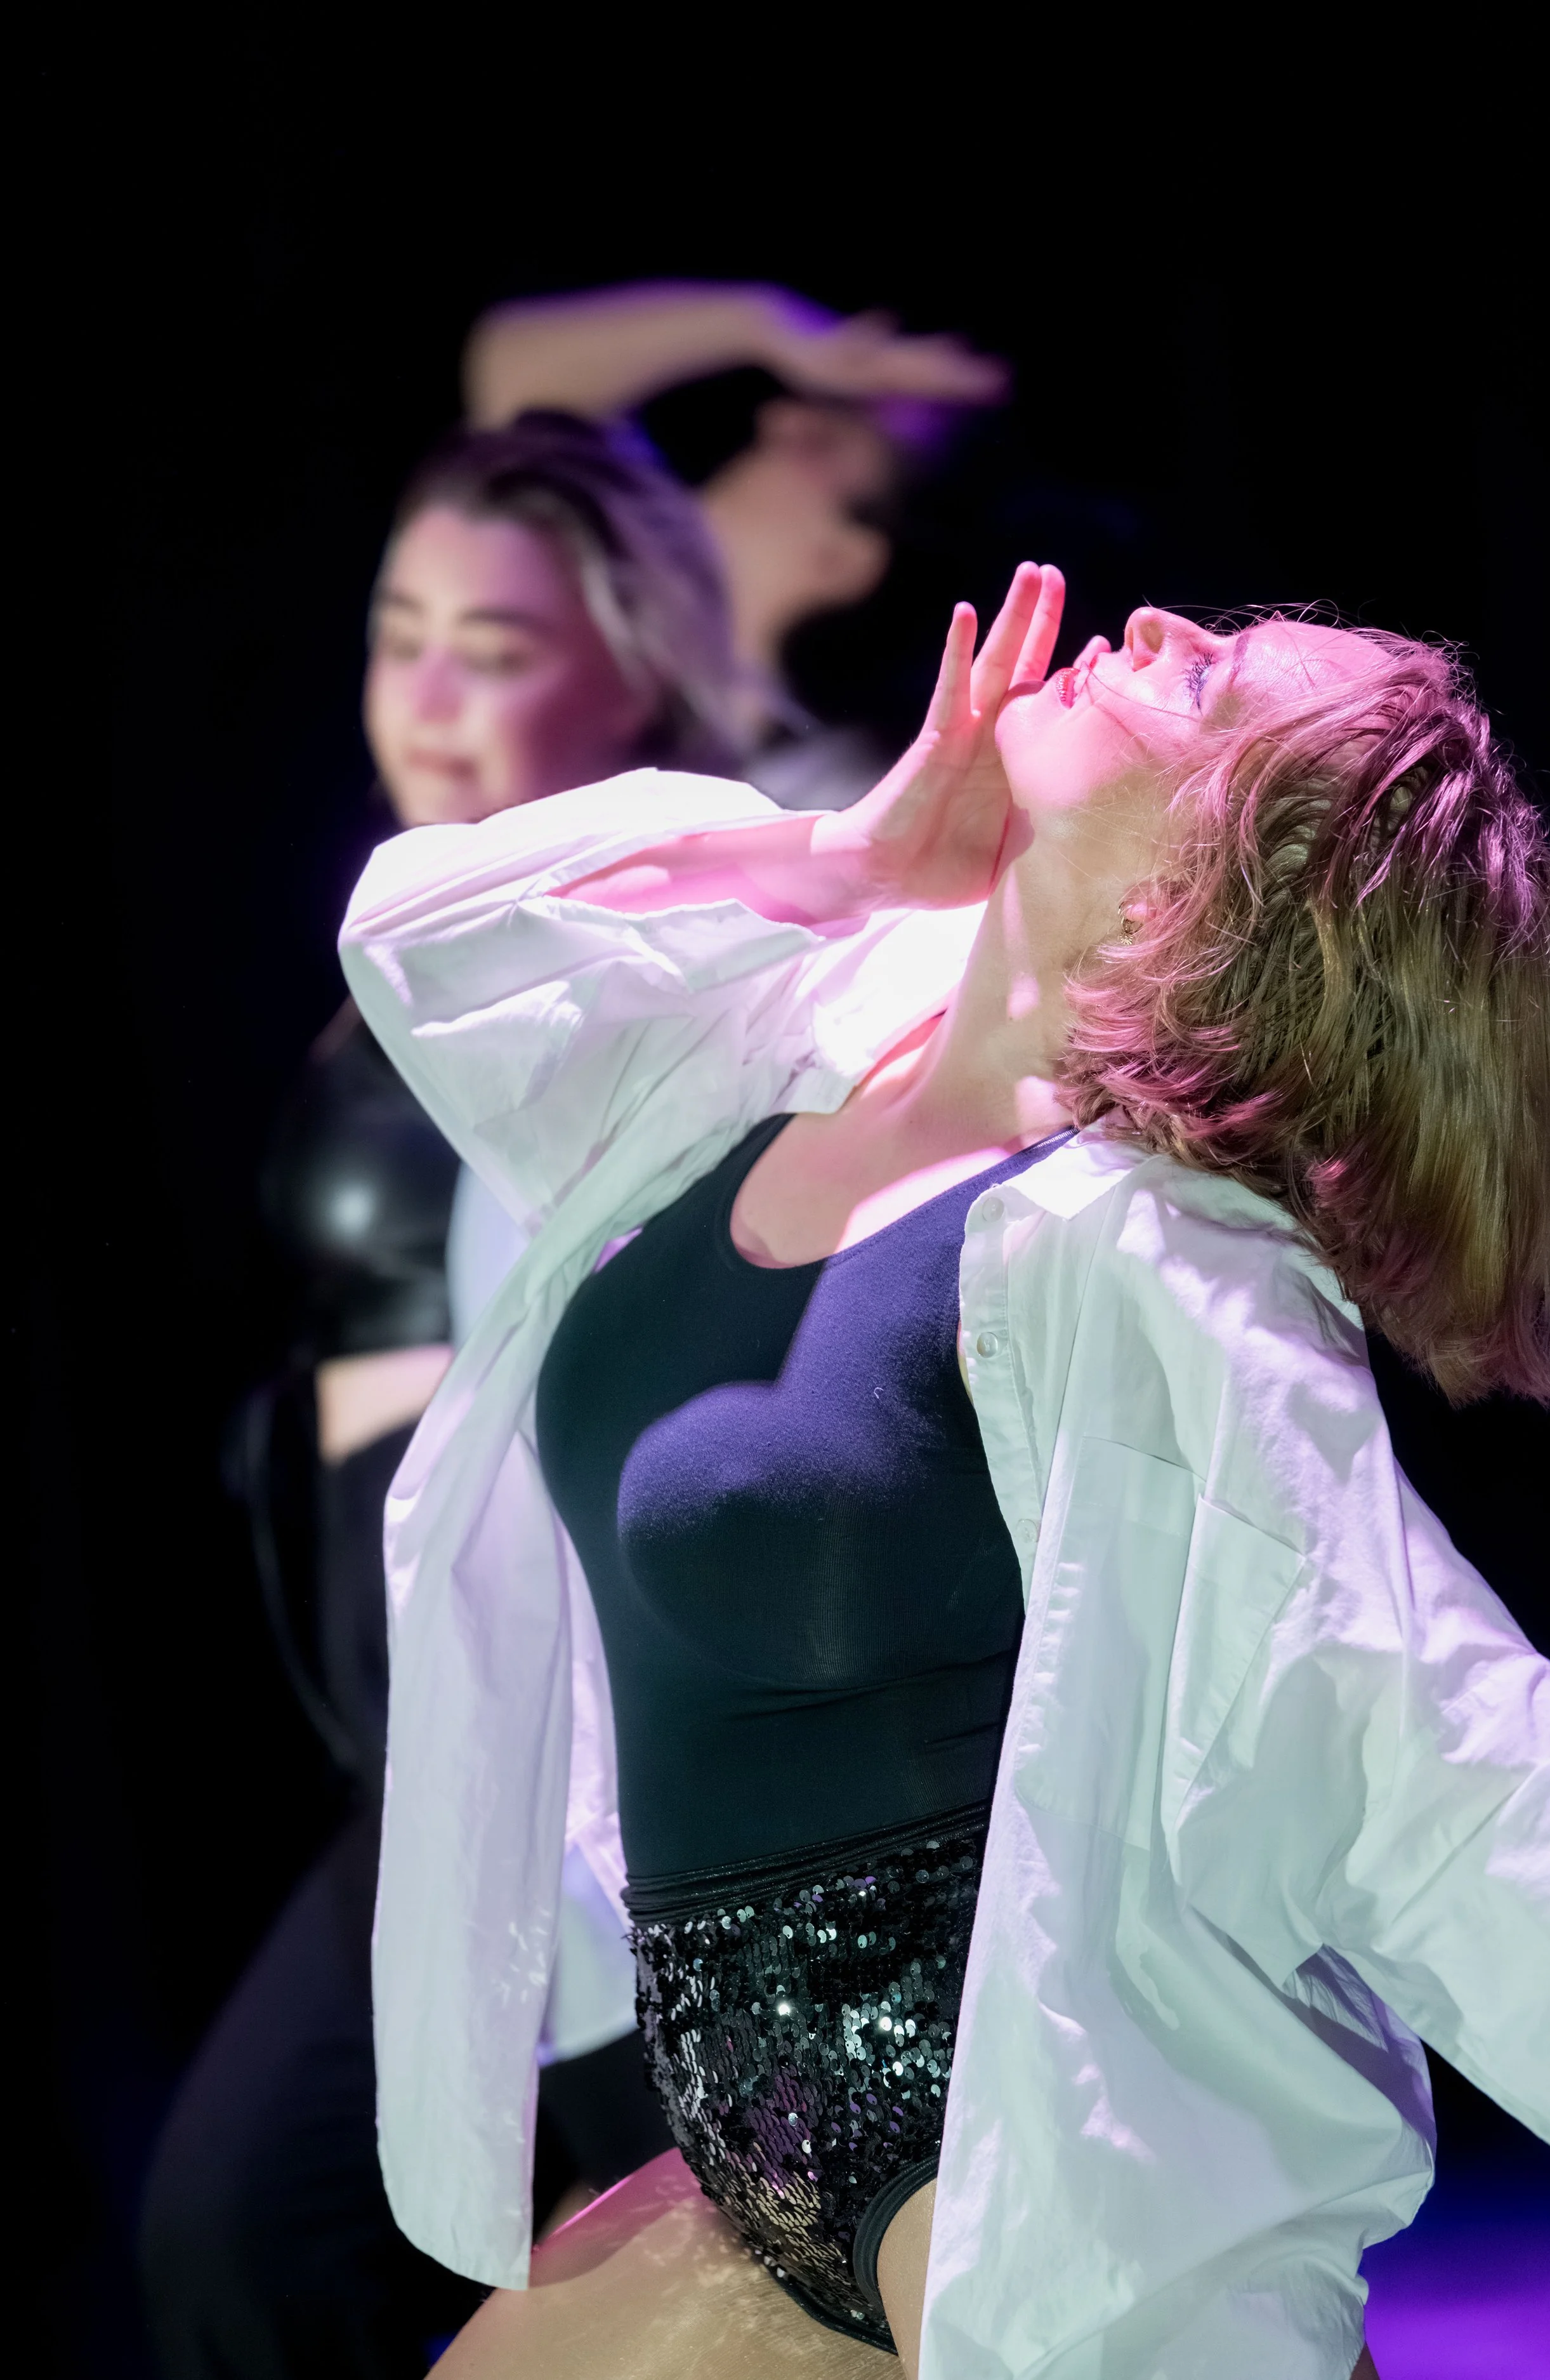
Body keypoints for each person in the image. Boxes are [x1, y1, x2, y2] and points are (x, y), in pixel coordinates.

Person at [339, 560, 1550, 2377]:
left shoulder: (1156, 1252)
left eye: (1211, 680)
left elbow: (1431, 1746)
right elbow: (418, 941)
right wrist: (844, 857)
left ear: (1219, 877)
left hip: (1016, 2173)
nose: (1159, 629)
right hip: (751, 2163)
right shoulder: (794, 1030)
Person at [138, 410, 741, 2380]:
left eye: (492, 648)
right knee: (252, 2240)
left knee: (691, 2273)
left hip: (578, 1740)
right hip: (407, 1744)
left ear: (632, 665)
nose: (426, 694)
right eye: (398, 635)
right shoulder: (412, 925)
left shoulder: (648, 939)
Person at [463, 280, 1009, 805]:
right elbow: (508, 390)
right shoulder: (602, 592)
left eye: (821, 442)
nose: (779, 419)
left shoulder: (818, 798)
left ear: (845, 561)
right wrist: (758, 323)